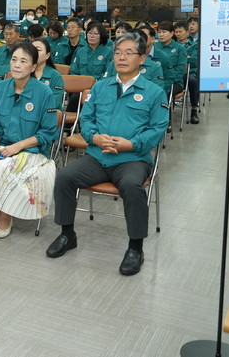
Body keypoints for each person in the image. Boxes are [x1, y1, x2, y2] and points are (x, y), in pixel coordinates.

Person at [46, 32, 169, 275]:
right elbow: (87, 118)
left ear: (141, 58)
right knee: (65, 177)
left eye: (128, 53)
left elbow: (157, 129)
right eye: (118, 53)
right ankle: (67, 234)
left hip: (132, 159)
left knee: (132, 186)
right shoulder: (101, 86)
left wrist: (130, 144)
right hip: (98, 156)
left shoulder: (154, 92)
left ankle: (135, 248)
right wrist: (94, 138)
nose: (121, 58)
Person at [0, 42, 58, 238]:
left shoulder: (44, 92)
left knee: (3, 168)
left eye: (23, 61)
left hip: (31, 151)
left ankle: (5, 217)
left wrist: (18, 146)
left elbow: (47, 133)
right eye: (14, 60)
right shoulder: (1, 87)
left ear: (33, 67)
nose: (17, 65)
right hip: (3, 147)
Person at [173, 20, 200, 124]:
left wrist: (181, 59)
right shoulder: (172, 45)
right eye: (176, 32)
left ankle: (194, 110)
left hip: (187, 73)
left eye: (180, 31)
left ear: (187, 32)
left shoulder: (193, 45)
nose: (178, 34)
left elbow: (194, 61)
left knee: (193, 81)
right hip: (173, 73)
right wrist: (185, 57)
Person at [154, 21, 186, 101]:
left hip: (174, 82)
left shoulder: (179, 48)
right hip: (155, 79)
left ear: (172, 33)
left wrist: (168, 80)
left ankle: (164, 109)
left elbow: (181, 69)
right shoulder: (154, 47)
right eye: (159, 32)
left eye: (164, 32)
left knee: (163, 93)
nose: (161, 35)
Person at [32, 38, 66, 111]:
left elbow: (55, 102)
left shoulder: (55, 75)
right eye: (32, 50)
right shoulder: (24, 73)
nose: (34, 53)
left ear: (47, 55)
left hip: (48, 113)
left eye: (38, 50)